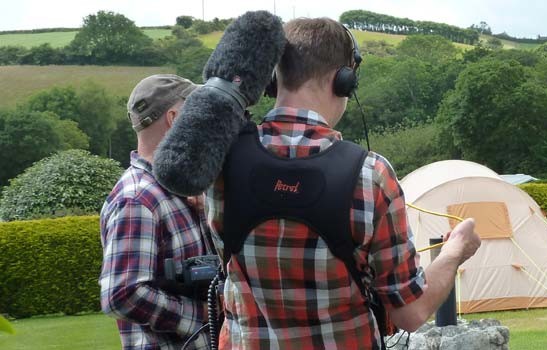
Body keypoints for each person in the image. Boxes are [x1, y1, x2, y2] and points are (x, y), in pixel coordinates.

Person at [204, 17, 480, 349]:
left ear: (274, 79)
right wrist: (453, 253)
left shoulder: (220, 159)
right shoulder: (370, 174)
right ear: (343, 80)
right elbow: (410, 312)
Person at [100, 74, 212, 349]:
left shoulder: (178, 191)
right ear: (174, 118)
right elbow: (122, 293)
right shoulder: (138, 199)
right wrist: (205, 317)